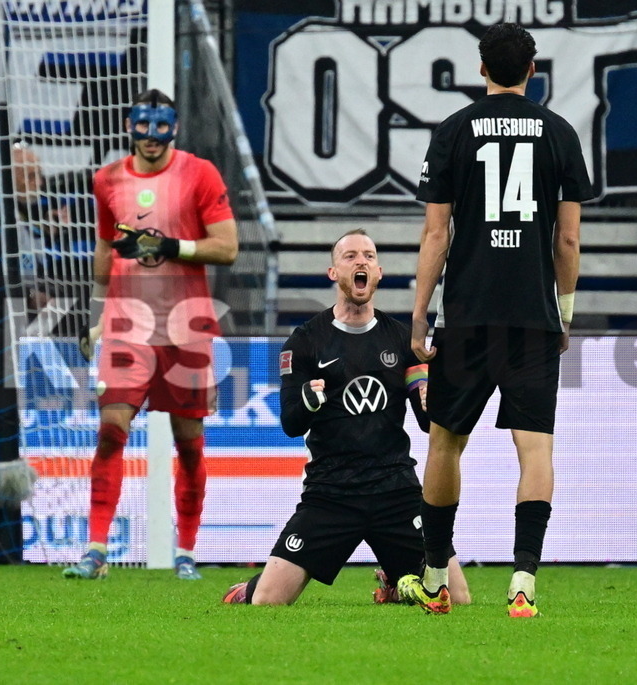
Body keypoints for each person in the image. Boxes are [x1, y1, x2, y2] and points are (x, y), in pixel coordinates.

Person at [400, 23, 593, 616]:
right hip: (532, 318)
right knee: (535, 451)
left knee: (444, 444)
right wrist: (563, 313)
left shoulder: (455, 130)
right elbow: (567, 239)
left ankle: (435, 578)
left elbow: (437, 233)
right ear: (532, 70)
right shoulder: (559, 133)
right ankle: (523, 584)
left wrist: (418, 318)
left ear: (481, 69)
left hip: (467, 315)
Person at [222, 230, 470, 605]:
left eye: (369, 257)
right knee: (267, 603)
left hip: (396, 491)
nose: (361, 262)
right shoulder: (305, 340)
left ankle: (395, 575)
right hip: (331, 493)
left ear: (379, 272)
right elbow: (291, 424)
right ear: (333, 272)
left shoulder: (403, 341)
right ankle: (251, 586)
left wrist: (431, 398)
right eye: (350, 256)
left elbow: (426, 422)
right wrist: (308, 399)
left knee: (459, 598)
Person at [64, 88, 238, 580]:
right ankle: (96, 550)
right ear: (129, 126)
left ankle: (185, 551)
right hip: (126, 326)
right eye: (144, 126)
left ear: (175, 128)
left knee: (188, 443)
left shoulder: (200, 173)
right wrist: (97, 317)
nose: (152, 137)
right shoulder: (107, 180)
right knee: (110, 432)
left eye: (162, 127)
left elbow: (227, 248)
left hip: (186, 326)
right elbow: (104, 251)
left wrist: (171, 246)